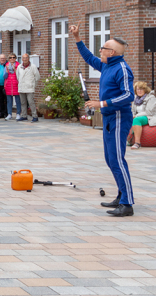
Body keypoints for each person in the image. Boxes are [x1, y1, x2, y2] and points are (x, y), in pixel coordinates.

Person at [70, 24, 135, 217]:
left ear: (112, 52)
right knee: (110, 159)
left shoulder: (122, 69)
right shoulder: (107, 64)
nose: (100, 51)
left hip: (118, 118)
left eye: (103, 48)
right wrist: (77, 37)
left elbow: (129, 96)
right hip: (109, 118)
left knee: (117, 160)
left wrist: (102, 103)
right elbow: (89, 58)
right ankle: (121, 195)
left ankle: (127, 203)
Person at [129, 81, 156, 149]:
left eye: (141, 89)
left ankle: (137, 143)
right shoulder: (136, 98)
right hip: (139, 116)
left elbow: (149, 112)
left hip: (150, 117)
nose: (139, 91)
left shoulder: (151, 98)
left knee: (136, 120)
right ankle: (127, 140)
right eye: (138, 89)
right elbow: (133, 111)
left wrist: (136, 116)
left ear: (145, 89)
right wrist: (131, 115)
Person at [16, 53, 40, 122]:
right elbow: (18, 76)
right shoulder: (19, 67)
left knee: (31, 102)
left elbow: (37, 77)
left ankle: (35, 116)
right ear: (22, 59)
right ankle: (24, 116)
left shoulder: (33, 66)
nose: (25, 59)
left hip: (30, 88)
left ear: (28, 58)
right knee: (23, 102)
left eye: (26, 58)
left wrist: (33, 84)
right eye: (23, 58)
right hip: (22, 87)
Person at [4, 54, 21, 121]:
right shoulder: (6, 66)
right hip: (8, 85)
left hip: (16, 84)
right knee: (9, 101)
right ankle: (9, 114)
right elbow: (4, 76)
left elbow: (19, 76)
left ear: (15, 58)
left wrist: (15, 69)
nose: (12, 59)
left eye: (13, 57)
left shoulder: (18, 66)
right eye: (10, 58)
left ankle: (18, 113)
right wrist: (7, 70)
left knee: (18, 100)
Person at [0, 53, 8, 119]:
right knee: (0, 100)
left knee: (6, 100)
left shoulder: (7, 65)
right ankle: (1, 113)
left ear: (5, 59)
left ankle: (6, 113)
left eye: (3, 58)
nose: (2, 59)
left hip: (6, 85)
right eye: (1, 58)